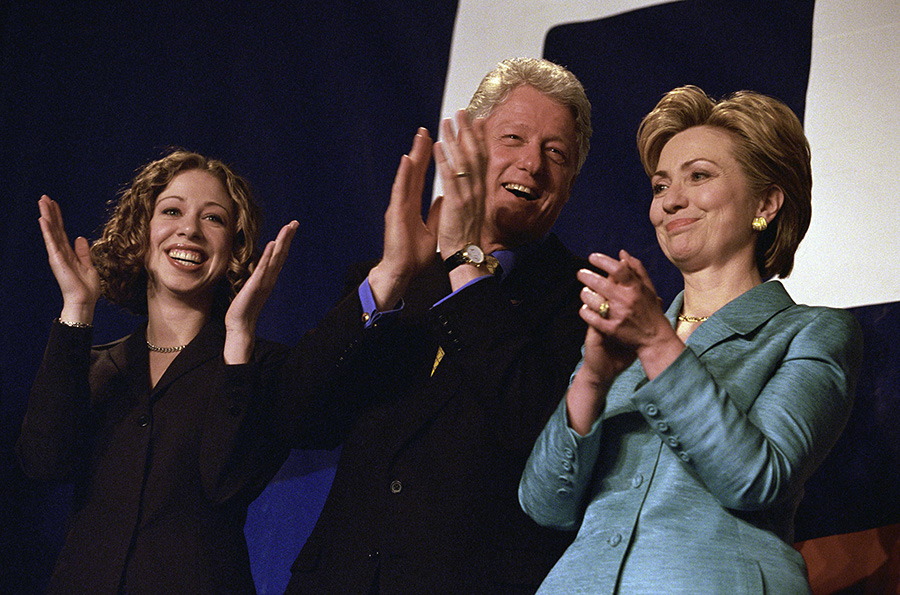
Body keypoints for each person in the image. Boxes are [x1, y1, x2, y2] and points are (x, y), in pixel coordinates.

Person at [518, 85, 864, 594]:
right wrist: (591, 380)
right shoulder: (624, 336)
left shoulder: (815, 333)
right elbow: (544, 504)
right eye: (660, 187)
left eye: (698, 176)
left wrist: (659, 344)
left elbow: (756, 479)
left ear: (765, 202)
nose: (670, 201)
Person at [280, 57, 593, 594]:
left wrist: (464, 262)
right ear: (469, 145)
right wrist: (389, 277)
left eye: (555, 153)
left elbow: (534, 439)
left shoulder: (587, 305)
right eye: (513, 138)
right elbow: (300, 419)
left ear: (570, 183)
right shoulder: (395, 277)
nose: (532, 164)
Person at [16, 150, 301, 594]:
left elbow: (228, 485)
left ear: (234, 250)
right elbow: (42, 462)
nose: (189, 229)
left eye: (214, 219)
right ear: (141, 234)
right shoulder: (95, 367)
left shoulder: (261, 369)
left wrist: (239, 336)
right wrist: (77, 308)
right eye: (172, 211)